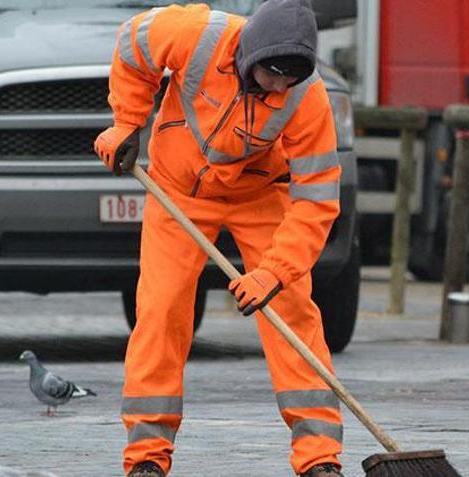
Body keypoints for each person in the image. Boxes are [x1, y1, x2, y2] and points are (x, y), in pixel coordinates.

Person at [94, 1, 344, 476]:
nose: (279, 88)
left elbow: (316, 200)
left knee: (290, 308)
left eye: (290, 79)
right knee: (162, 308)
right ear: (251, 52)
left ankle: (319, 459)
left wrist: (275, 270)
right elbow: (132, 45)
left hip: (258, 195)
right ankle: (146, 457)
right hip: (177, 189)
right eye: (272, 75)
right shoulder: (193, 33)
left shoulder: (307, 97)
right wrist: (128, 121)